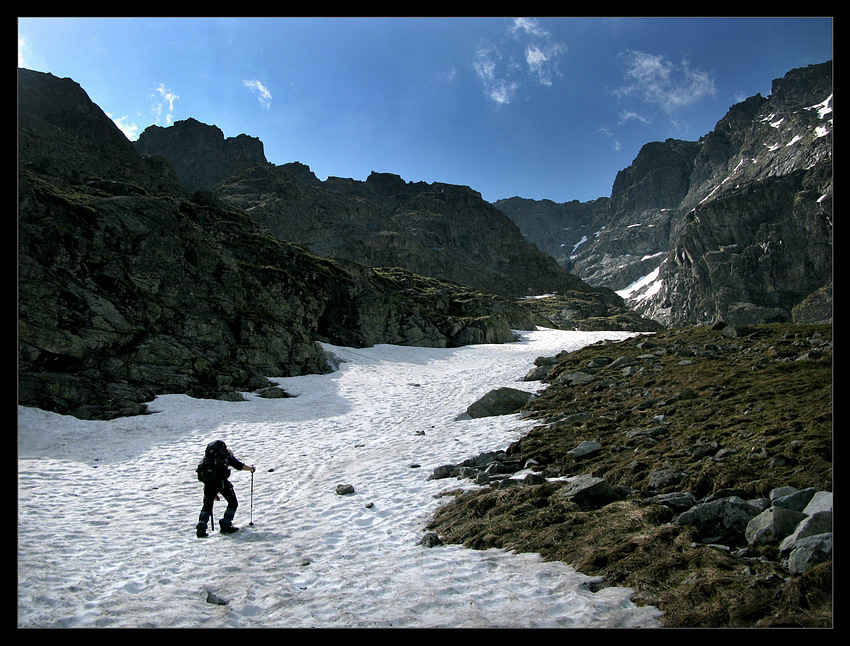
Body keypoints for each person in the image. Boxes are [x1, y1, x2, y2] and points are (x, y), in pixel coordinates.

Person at [195, 440, 255, 538]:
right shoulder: (227, 455)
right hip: (222, 482)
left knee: (207, 506)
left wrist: (214, 493)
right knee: (233, 503)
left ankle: (201, 529)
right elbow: (238, 465)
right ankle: (226, 525)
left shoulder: (207, 457)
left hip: (208, 484)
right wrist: (251, 469)